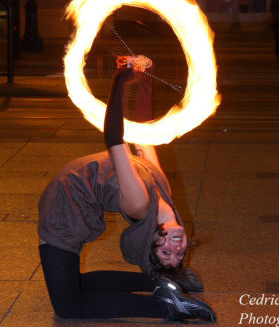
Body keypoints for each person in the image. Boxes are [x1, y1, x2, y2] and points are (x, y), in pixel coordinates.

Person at [38, 56, 216, 322]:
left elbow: (114, 138)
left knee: (67, 305)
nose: (176, 246)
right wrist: (145, 81)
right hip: (74, 190)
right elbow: (143, 133)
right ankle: (159, 282)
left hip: (64, 204)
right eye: (179, 253)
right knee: (74, 284)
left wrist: (121, 78)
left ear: (149, 239)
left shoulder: (139, 203)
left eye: (164, 250)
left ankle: (167, 306)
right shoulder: (163, 193)